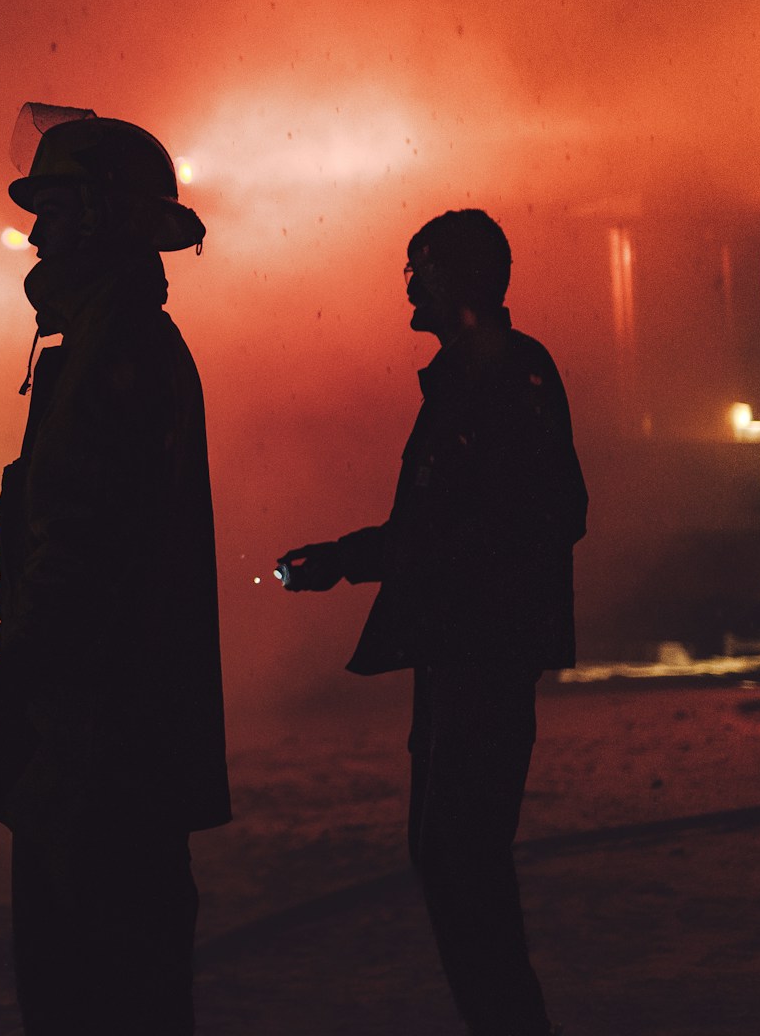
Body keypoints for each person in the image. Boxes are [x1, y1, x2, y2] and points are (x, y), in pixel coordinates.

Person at [279, 208, 584, 1036]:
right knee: (454, 860)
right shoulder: (494, 376)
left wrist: (356, 560)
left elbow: (507, 519)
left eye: (418, 269)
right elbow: (460, 525)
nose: (407, 285)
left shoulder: (498, 380)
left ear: (453, 279)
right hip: (467, 654)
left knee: (459, 862)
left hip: (476, 658)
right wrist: (349, 558)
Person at [0, 104, 230, 1035]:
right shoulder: (111, 341)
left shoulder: (112, 349)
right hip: (112, 733)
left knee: (89, 988)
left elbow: (82, 547)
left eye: (53, 208)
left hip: (101, 740)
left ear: (96, 217)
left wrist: (16, 685)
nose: (36, 232)